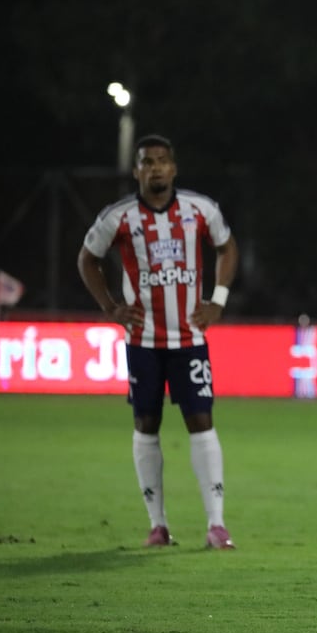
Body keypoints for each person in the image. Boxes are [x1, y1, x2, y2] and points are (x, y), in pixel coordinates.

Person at [77, 134, 239, 550]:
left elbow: (227, 246)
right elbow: (87, 259)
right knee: (146, 425)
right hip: (143, 340)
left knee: (200, 421)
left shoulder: (200, 210)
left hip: (189, 338)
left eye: (163, 161)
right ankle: (158, 525)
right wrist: (112, 307)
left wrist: (217, 300)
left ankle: (217, 525)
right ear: (137, 171)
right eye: (147, 162)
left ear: (174, 168)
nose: (156, 168)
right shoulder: (120, 217)